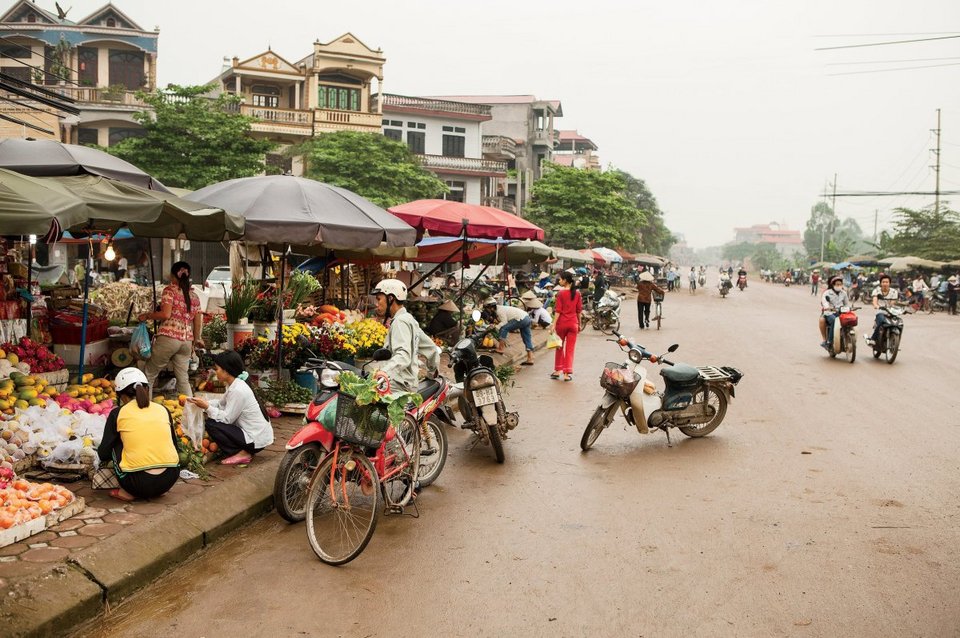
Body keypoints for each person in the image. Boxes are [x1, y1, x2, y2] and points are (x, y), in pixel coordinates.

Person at [97, 368, 179, 502]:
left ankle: (127, 492)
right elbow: (175, 446)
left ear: (120, 395)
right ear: (146, 389)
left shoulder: (118, 413)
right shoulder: (163, 409)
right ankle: (155, 490)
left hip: (136, 484)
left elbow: (104, 453)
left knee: (115, 442)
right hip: (169, 479)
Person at [187, 352, 274, 466]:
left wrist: (207, 407)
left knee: (212, 425)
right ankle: (243, 450)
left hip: (255, 439)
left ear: (226, 371)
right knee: (213, 419)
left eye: (217, 369)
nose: (214, 371)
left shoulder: (238, 389)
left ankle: (242, 453)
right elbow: (221, 404)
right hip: (255, 435)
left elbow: (227, 419)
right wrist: (203, 403)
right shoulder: (234, 384)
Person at [140, 261, 203, 397]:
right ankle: (191, 412)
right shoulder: (195, 296)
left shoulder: (170, 291)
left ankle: (145, 408)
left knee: (149, 374)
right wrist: (195, 341)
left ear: (173, 275)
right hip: (186, 342)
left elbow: (165, 314)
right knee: (183, 380)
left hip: (169, 338)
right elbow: (197, 322)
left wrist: (147, 315)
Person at [372, 279, 441, 392]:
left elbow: (403, 355)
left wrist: (384, 372)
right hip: (408, 384)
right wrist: (432, 373)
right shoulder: (409, 319)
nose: (377, 303)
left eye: (379, 299)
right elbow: (431, 348)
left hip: (398, 386)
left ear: (390, 298)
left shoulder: (400, 322)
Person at [481, 297, 535, 365]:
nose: (487, 310)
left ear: (491, 307)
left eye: (487, 308)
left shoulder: (499, 310)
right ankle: (530, 358)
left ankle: (501, 349)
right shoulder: (499, 309)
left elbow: (504, 322)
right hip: (526, 318)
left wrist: (495, 327)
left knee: (504, 329)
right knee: (526, 338)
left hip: (520, 319)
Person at [550, 271, 582, 381]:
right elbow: (578, 311)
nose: (559, 281)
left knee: (559, 347)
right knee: (570, 349)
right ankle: (567, 374)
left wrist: (553, 325)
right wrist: (579, 324)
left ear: (565, 280)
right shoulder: (577, 293)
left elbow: (558, 311)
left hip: (562, 324)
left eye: (560, 279)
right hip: (573, 324)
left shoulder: (561, 293)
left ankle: (558, 370)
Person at [867, 273, 900, 346]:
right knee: (881, 321)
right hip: (880, 311)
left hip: (891, 312)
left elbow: (892, 303)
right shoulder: (876, 290)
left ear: (889, 283)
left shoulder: (894, 292)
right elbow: (874, 300)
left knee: (899, 323)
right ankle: (873, 338)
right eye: (883, 282)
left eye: (887, 282)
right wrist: (876, 305)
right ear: (881, 283)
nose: (885, 284)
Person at [819, 275, 849, 349]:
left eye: (840, 284)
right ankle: (829, 341)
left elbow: (846, 304)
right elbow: (824, 302)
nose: (839, 286)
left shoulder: (844, 293)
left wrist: (848, 308)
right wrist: (827, 307)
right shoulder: (827, 293)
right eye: (837, 284)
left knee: (849, 320)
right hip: (829, 313)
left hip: (841, 312)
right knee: (834, 320)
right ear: (833, 285)